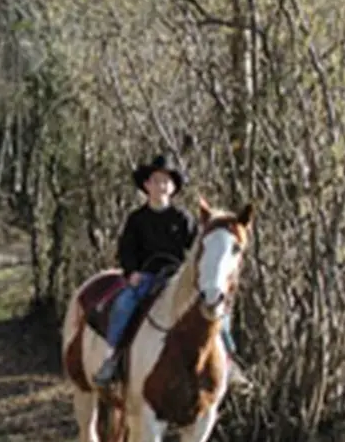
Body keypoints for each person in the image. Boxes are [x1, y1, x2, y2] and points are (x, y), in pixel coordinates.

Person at [93, 153, 252, 391]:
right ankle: (113, 358)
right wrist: (131, 272)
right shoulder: (136, 219)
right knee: (123, 304)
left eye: (166, 181)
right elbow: (126, 249)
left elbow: (197, 249)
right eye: (156, 181)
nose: (161, 186)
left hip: (177, 279)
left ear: (173, 187)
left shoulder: (183, 218)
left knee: (217, 307)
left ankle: (229, 362)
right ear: (146, 185)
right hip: (146, 277)